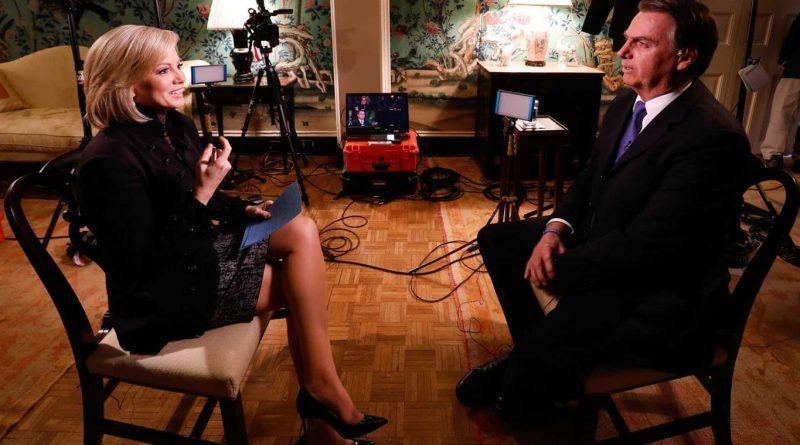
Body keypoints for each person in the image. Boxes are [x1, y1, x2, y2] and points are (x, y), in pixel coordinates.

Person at [77, 25, 386, 445]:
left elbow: (193, 200)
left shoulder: (172, 125)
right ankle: (323, 408)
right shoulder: (107, 162)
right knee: (299, 283)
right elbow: (150, 264)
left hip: (192, 256)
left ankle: (321, 397)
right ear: (126, 84)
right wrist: (203, 192)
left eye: (176, 66)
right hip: (160, 299)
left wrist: (240, 208)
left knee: (300, 227)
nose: (180, 78)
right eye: (164, 71)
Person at [456, 0, 759, 409]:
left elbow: (649, 248)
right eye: (626, 39)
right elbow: (588, 179)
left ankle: (534, 371)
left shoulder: (713, 137)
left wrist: (559, 267)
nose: (622, 51)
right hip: (611, 243)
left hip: (661, 293)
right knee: (499, 240)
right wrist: (553, 231)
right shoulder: (626, 102)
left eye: (642, 43)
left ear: (685, 56)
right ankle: (536, 355)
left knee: (514, 398)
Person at [760, 15, 800, 172]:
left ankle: (773, 155)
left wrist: (783, 60)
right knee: (783, 114)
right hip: (795, 68)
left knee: (781, 113)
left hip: (795, 70)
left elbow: (792, 39)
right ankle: (788, 155)